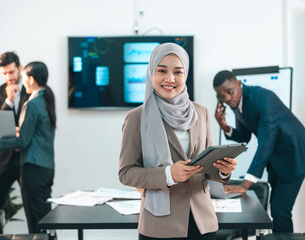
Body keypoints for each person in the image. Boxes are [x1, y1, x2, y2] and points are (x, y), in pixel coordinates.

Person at [119, 43, 238, 240]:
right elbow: (126, 173)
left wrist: (224, 169)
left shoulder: (201, 112)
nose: (170, 79)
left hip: (202, 223)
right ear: (151, 73)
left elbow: (207, 167)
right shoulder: (136, 118)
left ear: (186, 74)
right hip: (160, 225)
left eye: (178, 71)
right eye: (162, 70)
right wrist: (168, 174)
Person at [213, 70, 305, 233]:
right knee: (276, 209)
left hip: (294, 155)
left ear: (239, 84)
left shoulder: (264, 99)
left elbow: (266, 143)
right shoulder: (238, 103)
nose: (226, 98)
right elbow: (245, 136)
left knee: (280, 210)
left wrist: (245, 184)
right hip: (276, 158)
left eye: (229, 92)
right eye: (221, 96)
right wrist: (224, 127)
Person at [0, 61, 56, 233]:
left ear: (31, 79)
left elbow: (23, 142)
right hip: (46, 167)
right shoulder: (46, 98)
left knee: (36, 223)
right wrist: (19, 130)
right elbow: (37, 133)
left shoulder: (32, 103)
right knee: (45, 220)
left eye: (22, 76)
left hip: (32, 168)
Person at [0, 51, 30, 234]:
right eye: (4, 73)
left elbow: (29, 127)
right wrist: (9, 100)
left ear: (19, 68)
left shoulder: (31, 90)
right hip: (4, 159)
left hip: (27, 159)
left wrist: (14, 130)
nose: (8, 77)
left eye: (11, 72)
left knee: (33, 209)